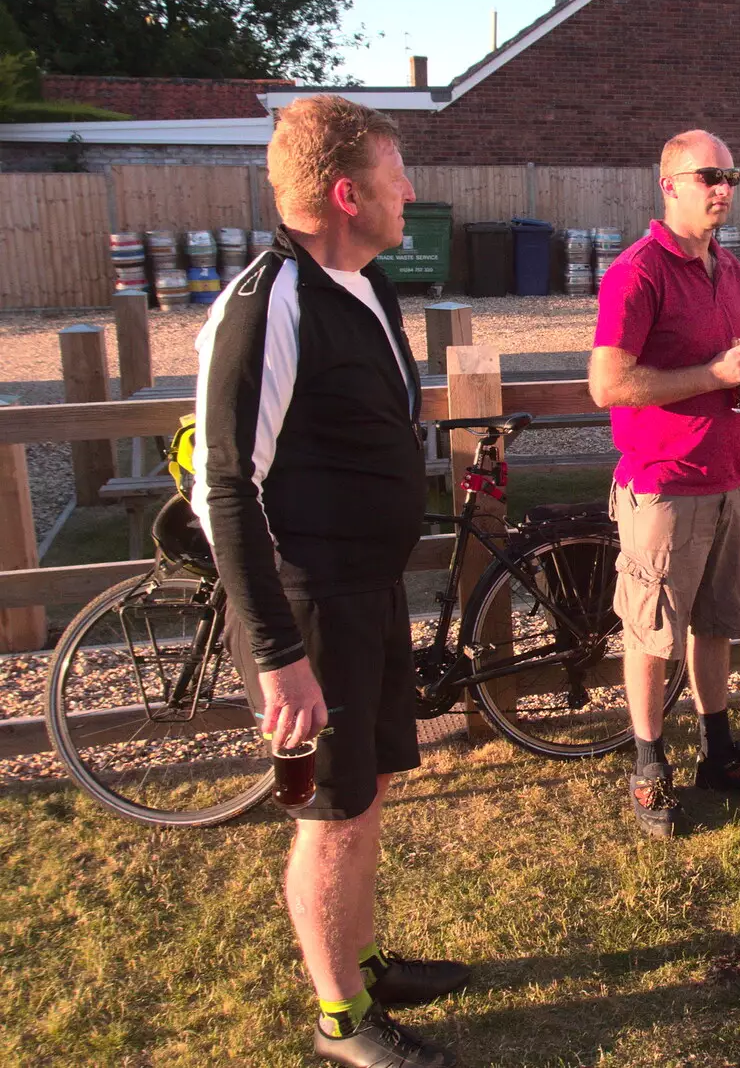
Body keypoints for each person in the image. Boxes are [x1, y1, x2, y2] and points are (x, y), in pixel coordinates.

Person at [192, 96, 464, 1068]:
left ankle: (362, 958)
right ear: (348, 193)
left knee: (368, 793)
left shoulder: (360, 281)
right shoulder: (266, 305)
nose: (412, 193)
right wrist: (279, 657)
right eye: (399, 178)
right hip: (310, 613)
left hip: (369, 593)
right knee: (330, 814)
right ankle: (341, 1019)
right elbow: (224, 489)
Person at [589, 129, 740, 839]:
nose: (723, 187)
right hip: (666, 483)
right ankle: (648, 767)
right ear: (669, 183)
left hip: (733, 476)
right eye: (708, 175)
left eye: (730, 174)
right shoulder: (638, 272)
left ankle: (718, 751)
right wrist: (713, 376)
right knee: (651, 632)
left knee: (718, 623)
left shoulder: (728, 267)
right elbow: (607, 383)